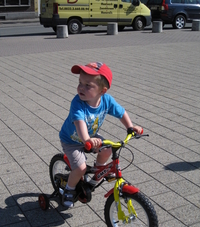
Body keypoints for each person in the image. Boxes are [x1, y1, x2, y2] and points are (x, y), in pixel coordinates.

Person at [59, 62, 142, 208]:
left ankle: (98, 174)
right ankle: (69, 190)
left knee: (108, 149)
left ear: (102, 91)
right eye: (80, 83)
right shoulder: (77, 103)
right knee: (80, 168)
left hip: (90, 138)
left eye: (87, 85)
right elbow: (80, 123)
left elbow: (121, 112)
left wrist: (130, 127)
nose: (81, 88)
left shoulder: (106, 101)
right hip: (72, 140)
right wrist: (87, 139)